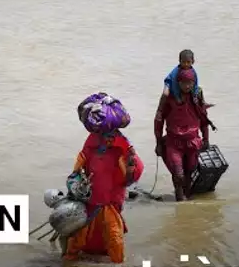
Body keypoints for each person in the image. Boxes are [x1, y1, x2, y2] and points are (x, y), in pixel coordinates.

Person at [63, 129, 144, 263]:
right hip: (89, 204)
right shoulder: (89, 148)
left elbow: (131, 177)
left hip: (110, 205)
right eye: (106, 136)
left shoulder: (122, 151)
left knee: (115, 240)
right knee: (77, 240)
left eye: (112, 137)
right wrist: (76, 184)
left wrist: (131, 157)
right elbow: (74, 174)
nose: (108, 140)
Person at [154, 68, 216, 201]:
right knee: (178, 173)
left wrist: (206, 139)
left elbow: (203, 119)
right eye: (184, 83)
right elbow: (158, 120)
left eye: (190, 83)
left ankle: (184, 205)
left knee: (189, 171)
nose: (187, 86)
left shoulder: (196, 96)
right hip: (173, 142)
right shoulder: (170, 98)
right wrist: (158, 143)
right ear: (178, 82)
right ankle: (180, 198)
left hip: (193, 142)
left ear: (194, 83)